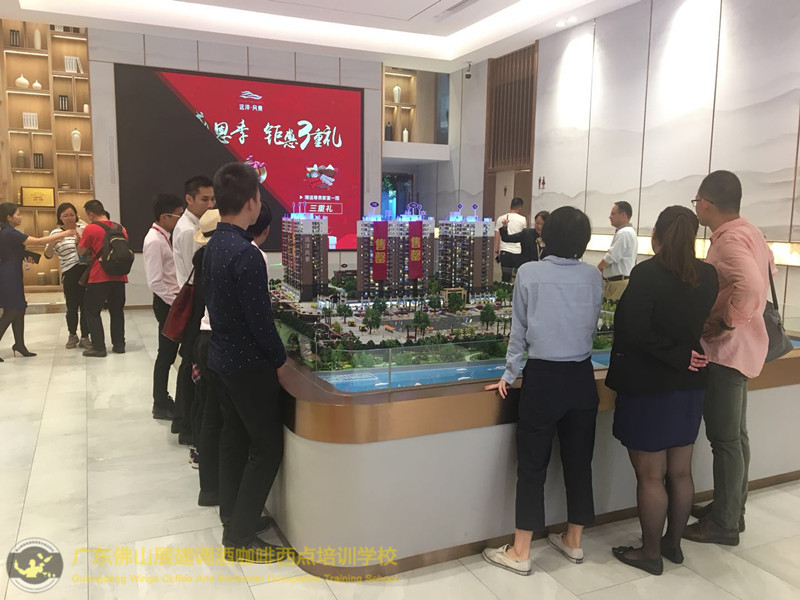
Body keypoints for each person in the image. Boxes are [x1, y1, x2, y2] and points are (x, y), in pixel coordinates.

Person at [482, 206, 603, 576]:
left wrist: (508, 375)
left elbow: (519, 331)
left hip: (543, 378)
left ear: (546, 236)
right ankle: (574, 541)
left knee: (532, 465)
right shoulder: (593, 276)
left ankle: (520, 551)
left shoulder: (529, 272)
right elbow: (591, 325)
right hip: (581, 376)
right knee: (580, 461)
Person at [605, 206, 718, 575]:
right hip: (690, 383)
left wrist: (673, 354)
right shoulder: (707, 275)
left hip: (649, 385)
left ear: (657, 235)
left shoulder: (647, 274)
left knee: (651, 475)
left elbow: (635, 331)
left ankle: (650, 553)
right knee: (681, 472)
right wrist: (684, 355)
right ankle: (673, 544)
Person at [683, 170, 774, 546]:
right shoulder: (750, 231)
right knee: (737, 436)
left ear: (706, 203)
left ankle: (724, 523)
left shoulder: (730, 239)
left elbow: (751, 285)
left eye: (697, 201)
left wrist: (725, 321)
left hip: (727, 352)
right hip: (745, 349)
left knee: (725, 440)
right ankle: (732, 508)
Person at [204, 162, 287, 562]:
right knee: (267, 447)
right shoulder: (246, 254)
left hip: (221, 357)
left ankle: (233, 516)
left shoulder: (214, 245)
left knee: (233, 438)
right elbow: (260, 321)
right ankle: (239, 538)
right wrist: (279, 358)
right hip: (247, 364)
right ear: (252, 201)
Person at [0, 203, 75, 360]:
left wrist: (26, 256)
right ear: (9, 217)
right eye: (18, 214)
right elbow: (39, 241)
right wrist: (64, 233)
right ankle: (18, 344)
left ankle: (19, 344)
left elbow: (12, 251)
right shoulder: (10, 232)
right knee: (12, 310)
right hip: (9, 275)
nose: (20, 217)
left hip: (12, 273)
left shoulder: (7, 232)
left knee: (19, 309)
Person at [172, 175, 215, 444]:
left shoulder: (194, 225)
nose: (210, 204)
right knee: (190, 365)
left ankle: (182, 420)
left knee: (189, 363)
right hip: (194, 304)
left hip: (193, 302)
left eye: (213, 199)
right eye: (204, 199)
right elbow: (194, 272)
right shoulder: (190, 231)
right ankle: (186, 424)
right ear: (189, 199)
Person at [187, 208, 221, 501]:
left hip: (201, 334)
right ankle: (210, 483)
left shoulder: (203, 257)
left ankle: (200, 457)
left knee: (205, 405)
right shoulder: (217, 258)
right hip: (211, 338)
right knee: (212, 411)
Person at [142, 194, 185, 420]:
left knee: (168, 354)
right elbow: (155, 282)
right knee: (166, 355)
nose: (180, 219)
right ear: (164, 216)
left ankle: (163, 400)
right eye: (178, 215)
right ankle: (160, 402)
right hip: (167, 304)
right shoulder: (154, 241)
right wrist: (176, 302)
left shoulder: (164, 236)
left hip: (171, 302)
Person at [76, 199, 129, 358]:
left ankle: (99, 347)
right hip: (119, 276)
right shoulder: (120, 228)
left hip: (99, 276)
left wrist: (79, 239)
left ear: (91, 213)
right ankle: (119, 345)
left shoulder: (91, 228)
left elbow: (81, 250)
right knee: (117, 311)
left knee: (92, 311)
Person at [44, 203, 91, 350]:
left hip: (85, 271)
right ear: (60, 217)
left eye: (72, 215)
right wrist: (52, 243)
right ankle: (72, 335)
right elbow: (48, 255)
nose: (69, 218)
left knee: (86, 306)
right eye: (65, 216)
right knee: (72, 306)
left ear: (76, 215)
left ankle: (85, 336)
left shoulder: (84, 228)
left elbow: (92, 248)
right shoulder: (56, 233)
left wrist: (80, 240)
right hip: (69, 273)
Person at [597, 201, 638, 301]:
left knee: (610, 310)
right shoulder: (630, 232)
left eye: (612, 214)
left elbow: (611, 256)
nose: (610, 217)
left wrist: (599, 267)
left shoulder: (624, 233)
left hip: (618, 284)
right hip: (620, 281)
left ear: (623, 214)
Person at [494, 197, 527, 282]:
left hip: (505, 252)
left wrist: (496, 252)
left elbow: (497, 236)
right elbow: (523, 236)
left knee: (505, 277)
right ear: (520, 207)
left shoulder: (501, 218)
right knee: (518, 277)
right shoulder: (523, 219)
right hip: (518, 252)